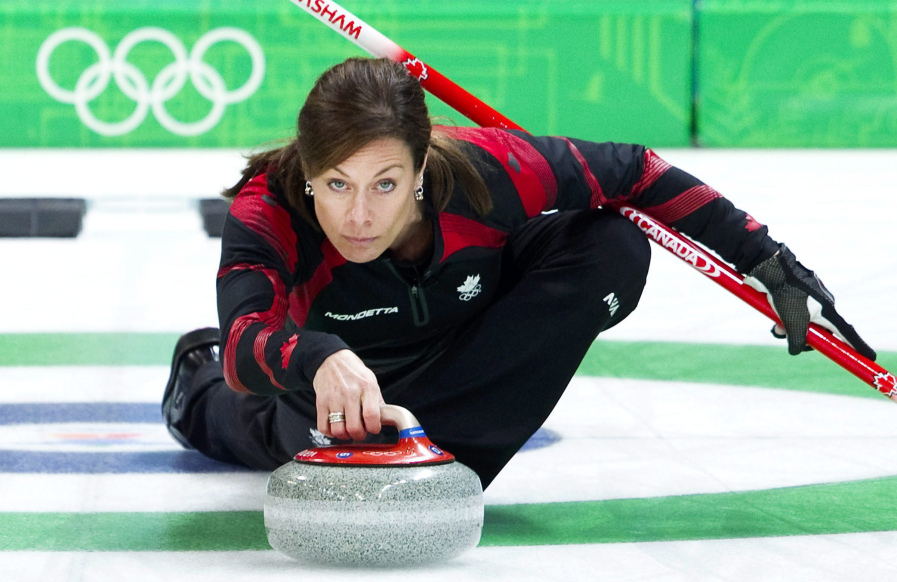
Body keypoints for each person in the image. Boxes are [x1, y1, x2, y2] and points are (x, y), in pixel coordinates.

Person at [162, 57, 876, 489]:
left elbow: (637, 171)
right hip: (332, 393)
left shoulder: (486, 170)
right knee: (256, 417)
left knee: (614, 247)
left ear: (420, 167)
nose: (357, 216)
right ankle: (195, 393)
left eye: (385, 184)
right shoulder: (269, 210)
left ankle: (447, 459)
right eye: (336, 185)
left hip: (468, 345)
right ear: (308, 174)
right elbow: (246, 343)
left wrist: (762, 256)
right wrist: (317, 355)